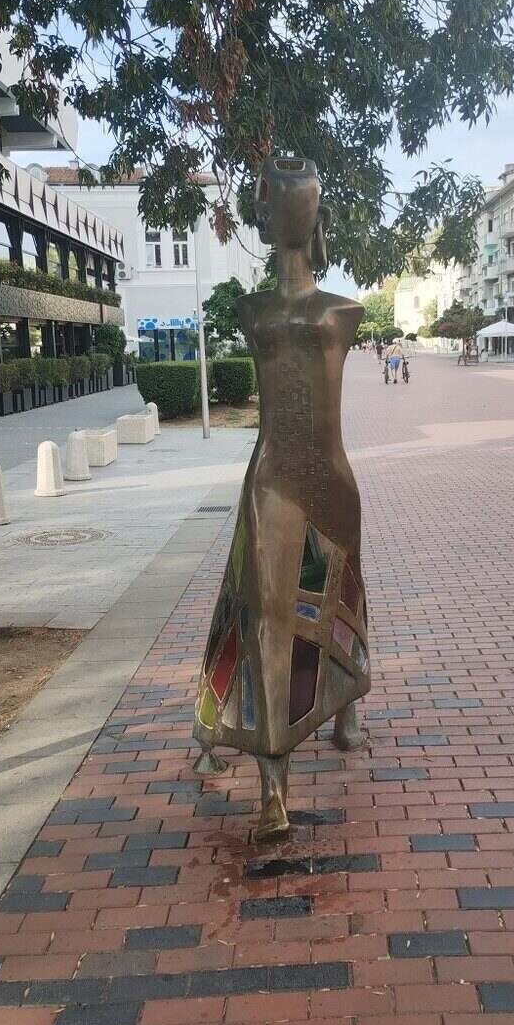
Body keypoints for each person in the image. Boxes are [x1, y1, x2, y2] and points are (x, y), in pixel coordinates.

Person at [193, 156, 370, 840]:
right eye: (275, 201)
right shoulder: (253, 308)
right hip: (273, 478)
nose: (285, 211)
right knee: (267, 612)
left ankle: (345, 709)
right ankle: (273, 783)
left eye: (297, 199)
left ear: (313, 213)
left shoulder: (343, 309)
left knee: (336, 598)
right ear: (265, 217)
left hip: (331, 479)